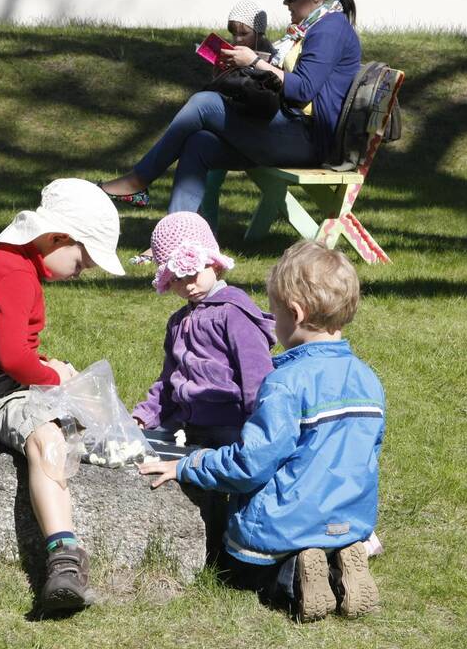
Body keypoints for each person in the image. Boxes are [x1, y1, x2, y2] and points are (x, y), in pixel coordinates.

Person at [139, 240, 385, 622]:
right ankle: (341, 563)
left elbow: (251, 463)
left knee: (239, 568)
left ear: (296, 313)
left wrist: (190, 465)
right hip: (348, 520)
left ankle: (292, 577)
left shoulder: (284, 382)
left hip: (285, 525)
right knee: (325, 533)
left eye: (274, 314)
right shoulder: (369, 380)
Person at [0, 178, 125, 613]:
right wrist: (50, 374)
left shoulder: (15, 265)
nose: (81, 270)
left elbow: (14, 351)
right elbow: (12, 358)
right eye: (82, 260)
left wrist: (49, 368)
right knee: (46, 438)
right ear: (56, 238)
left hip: (10, 385)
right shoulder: (14, 273)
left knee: (79, 420)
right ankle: (64, 556)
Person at [99, 0, 361, 222]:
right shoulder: (315, 26)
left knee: (204, 103)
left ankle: (138, 180)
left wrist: (254, 62)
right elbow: (293, 78)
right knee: (198, 144)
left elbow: (303, 89)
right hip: (290, 129)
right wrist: (248, 64)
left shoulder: (329, 29)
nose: (286, 3)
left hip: (308, 139)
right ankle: (182, 239)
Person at [130, 212, 275, 450]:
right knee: (136, 450)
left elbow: (256, 375)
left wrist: (258, 429)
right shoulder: (178, 321)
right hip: (183, 422)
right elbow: (168, 380)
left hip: (229, 425)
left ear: (214, 264)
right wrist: (145, 415)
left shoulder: (233, 311)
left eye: (192, 272)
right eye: (176, 278)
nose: (187, 285)